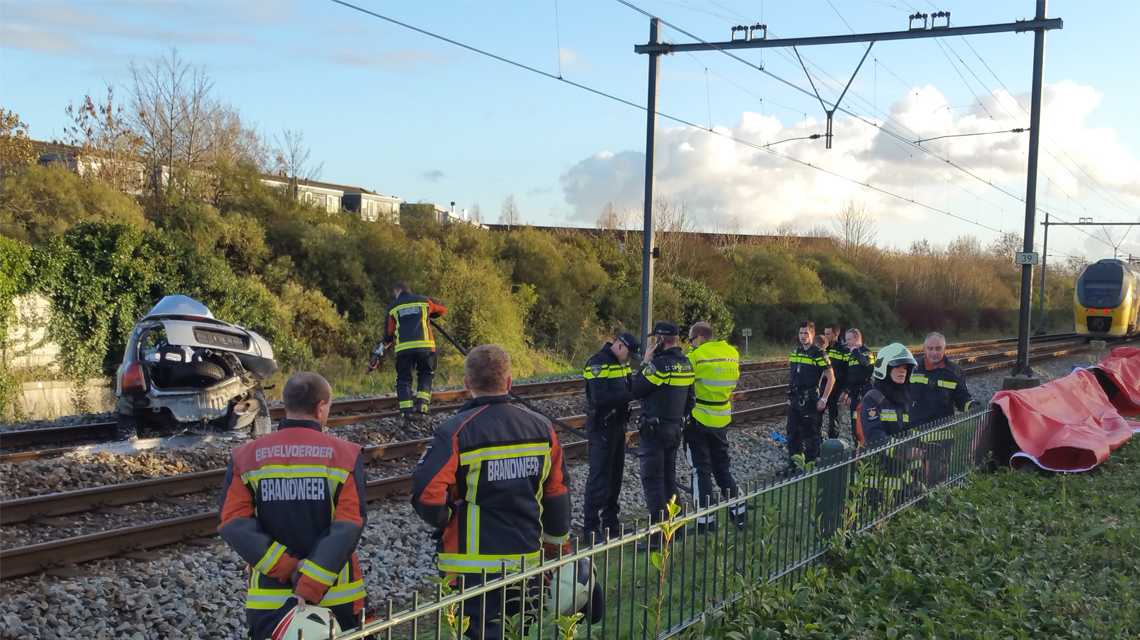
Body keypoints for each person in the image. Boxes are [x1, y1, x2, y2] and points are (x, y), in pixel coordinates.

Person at [411, 345, 572, 640]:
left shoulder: (456, 431)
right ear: (509, 382)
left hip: (471, 569)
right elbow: (556, 495)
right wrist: (556, 552)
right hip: (526, 563)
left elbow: (427, 495)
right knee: (519, 633)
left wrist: (447, 515)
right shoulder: (542, 429)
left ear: (467, 384)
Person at [218, 372, 370, 639]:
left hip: (269, 602)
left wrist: (287, 568)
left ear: (286, 404)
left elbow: (233, 523)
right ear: (321, 407)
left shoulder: (245, 456)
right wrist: (309, 584)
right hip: (337, 598)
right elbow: (348, 526)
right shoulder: (345, 455)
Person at [632, 321, 695, 541]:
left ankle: (658, 536)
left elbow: (637, 389)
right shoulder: (686, 364)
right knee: (669, 480)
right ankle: (675, 530)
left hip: (654, 432)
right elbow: (691, 400)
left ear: (660, 339)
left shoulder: (658, 366)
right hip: (674, 430)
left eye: (654, 339)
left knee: (653, 482)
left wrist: (645, 363)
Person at [581, 332, 641, 543]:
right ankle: (590, 527)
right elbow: (598, 397)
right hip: (602, 427)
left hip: (617, 426)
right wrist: (630, 396)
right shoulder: (597, 363)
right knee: (599, 478)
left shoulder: (620, 364)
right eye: (629, 354)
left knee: (615, 476)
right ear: (620, 346)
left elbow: (629, 385)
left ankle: (610, 521)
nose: (629, 359)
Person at [685, 321, 743, 532]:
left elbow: (683, 386)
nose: (690, 344)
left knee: (701, 471)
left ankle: (705, 522)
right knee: (722, 468)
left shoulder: (696, 356)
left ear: (699, 338)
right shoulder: (731, 353)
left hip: (699, 419)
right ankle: (738, 510)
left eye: (691, 340)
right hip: (721, 418)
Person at [368, 282, 447, 420]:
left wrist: (380, 349)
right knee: (426, 374)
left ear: (397, 292)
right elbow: (442, 309)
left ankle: (406, 412)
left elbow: (389, 334)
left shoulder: (393, 308)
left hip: (404, 349)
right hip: (425, 347)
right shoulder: (424, 301)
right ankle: (422, 406)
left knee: (404, 379)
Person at [855, 344, 922, 499]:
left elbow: (907, 430)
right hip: (876, 477)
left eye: (906, 368)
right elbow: (873, 436)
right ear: (884, 369)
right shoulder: (873, 399)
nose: (903, 372)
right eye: (898, 367)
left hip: (900, 473)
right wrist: (905, 451)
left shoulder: (902, 398)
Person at [785, 322, 834, 469]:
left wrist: (824, 399)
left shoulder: (819, 354)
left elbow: (831, 378)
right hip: (795, 399)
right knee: (792, 432)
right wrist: (790, 397)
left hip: (810, 399)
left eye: (806, 333)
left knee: (810, 433)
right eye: (801, 333)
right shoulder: (796, 352)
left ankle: (810, 464)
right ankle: (795, 464)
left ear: (812, 334)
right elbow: (793, 377)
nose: (803, 336)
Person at [909, 332, 976, 427]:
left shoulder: (955, 372)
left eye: (938, 348)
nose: (934, 353)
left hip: (942, 435)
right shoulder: (912, 368)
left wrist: (972, 405)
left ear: (945, 349)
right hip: (913, 435)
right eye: (930, 349)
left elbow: (962, 398)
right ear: (924, 349)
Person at [840, 328, 875, 442]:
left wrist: (855, 351)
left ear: (857, 339)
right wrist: (847, 392)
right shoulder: (850, 354)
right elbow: (850, 375)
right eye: (846, 339)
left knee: (864, 423)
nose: (847, 342)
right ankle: (857, 449)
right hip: (854, 395)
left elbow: (864, 362)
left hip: (865, 394)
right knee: (855, 424)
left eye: (849, 339)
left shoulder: (867, 352)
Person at [823, 324, 848, 440]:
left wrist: (846, 390)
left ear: (836, 334)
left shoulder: (844, 349)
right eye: (825, 333)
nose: (825, 336)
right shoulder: (823, 347)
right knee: (817, 416)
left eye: (828, 334)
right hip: (824, 386)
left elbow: (849, 371)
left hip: (838, 387)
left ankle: (832, 443)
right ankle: (817, 443)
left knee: (835, 417)